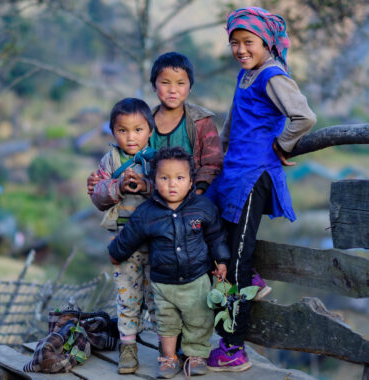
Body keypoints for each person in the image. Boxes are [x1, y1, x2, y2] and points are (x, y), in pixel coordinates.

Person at [204, 7, 317, 373]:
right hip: (234, 173)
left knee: (235, 259)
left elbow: (305, 117)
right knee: (210, 230)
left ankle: (233, 348)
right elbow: (233, 121)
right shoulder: (246, 75)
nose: (240, 49)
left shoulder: (271, 74)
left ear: (266, 42)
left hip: (254, 177)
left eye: (248, 41)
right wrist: (217, 159)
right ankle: (248, 273)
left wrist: (282, 145)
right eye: (234, 42)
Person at [109, 146, 230, 378]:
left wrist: (222, 261)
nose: (172, 184)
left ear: (191, 180)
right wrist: (115, 252)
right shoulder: (147, 212)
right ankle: (168, 358)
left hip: (196, 279)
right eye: (164, 178)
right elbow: (129, 235)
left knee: (199, 319)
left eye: (179, 178)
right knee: (167, 324)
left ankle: (195, 356)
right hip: (163, 284)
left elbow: (216, 236)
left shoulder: (203, 208)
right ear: (153, 180)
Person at [87, 51, 223, 196]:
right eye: (165, 83)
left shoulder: (201, 121)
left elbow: (212, 163)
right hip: (150, 199)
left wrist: (197, 192)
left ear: (190, 87)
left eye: (180, 83)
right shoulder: (143, 123)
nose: (172, 90)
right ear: (154, 85)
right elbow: (125, 157)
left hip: (193, 199)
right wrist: (100, 182)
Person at [90, 97, 157, 374]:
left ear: (150, 131)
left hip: (156, 241)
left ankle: (169, 347)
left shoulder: (157, 158)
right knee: (127, 295)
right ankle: (128, 349)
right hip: (123, 241)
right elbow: (97, 196)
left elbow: (171, 189)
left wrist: (146, 185)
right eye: (123, 130)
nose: (131, 137)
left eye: (138, 130)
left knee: (158, 297)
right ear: (113, 131)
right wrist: (116, 187)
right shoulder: (110, 159)